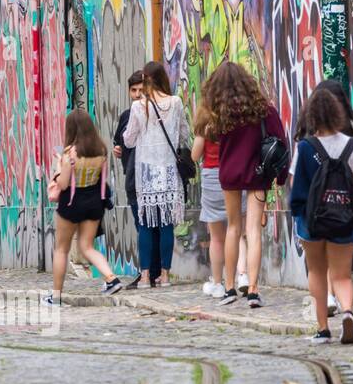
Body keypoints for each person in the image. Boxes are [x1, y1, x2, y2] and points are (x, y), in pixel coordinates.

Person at [203, 60, 290, 308]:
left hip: (229, 175)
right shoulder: (263, 109)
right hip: (257, 174)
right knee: (253, 231)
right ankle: (253, 289)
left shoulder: (220, 113)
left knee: (232, 228)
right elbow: (280, 141)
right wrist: (280, 177)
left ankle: (229, 287)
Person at [288, 86, 353, 344]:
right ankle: (349, 312)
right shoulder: (352, 146)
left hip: (313, 222)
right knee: (342, 275)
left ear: (312, 116)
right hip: (343, 218)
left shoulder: (305, 147)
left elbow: (297, 186)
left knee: (317, 272)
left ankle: (322, 329)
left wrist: (298, 215)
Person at [122, 61, 191, 288]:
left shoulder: (138, 107)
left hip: (147, 172)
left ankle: (144, 277)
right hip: (169, 171)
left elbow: (128, 140)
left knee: (146, 225)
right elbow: (184, 135)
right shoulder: (176, 103)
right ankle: (165, 276)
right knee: (166, 225)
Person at [46, 110, 123, 305]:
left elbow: (63, 184)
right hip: (94, 202)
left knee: (61, 249)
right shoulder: (101, 151)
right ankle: (111, 278)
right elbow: (101, 178)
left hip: (71, 204)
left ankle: (55, 296)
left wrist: (58, 167)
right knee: (87, 246)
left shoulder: (69, 153)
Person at [191, 97, 239, 300]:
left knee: (217, 237)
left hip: (212, 177)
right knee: (237, 230)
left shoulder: (206, 125)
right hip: (234, 176)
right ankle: (240, 277)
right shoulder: (235, 121)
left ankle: (218, 283)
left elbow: (195, 155)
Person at [112, 71, 145, 286]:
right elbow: (118, 141)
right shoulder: (126, 116)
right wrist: (117, 149)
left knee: (150, 227)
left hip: (148, 177)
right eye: (134, 90)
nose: (137, 94)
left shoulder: (153, 113)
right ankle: (146, 270)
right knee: (139, 224)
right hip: (131, 178)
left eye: (141, 90)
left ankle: (151, 271)